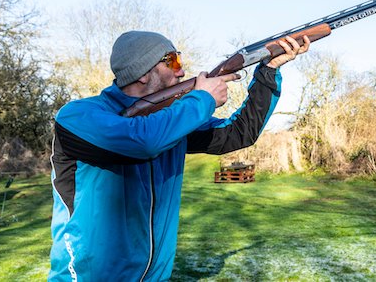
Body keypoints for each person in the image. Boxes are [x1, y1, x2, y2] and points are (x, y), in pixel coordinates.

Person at [48, 30, 310, 281]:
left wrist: (268, 70)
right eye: (171, 61)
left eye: (179, 59)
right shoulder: (78, 116)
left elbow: (239, 132)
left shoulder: (170, 121)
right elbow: (143, 141)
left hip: (154, 276)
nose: (182, 70)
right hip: (86, 276)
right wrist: (202, 99)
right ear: (142, 72)